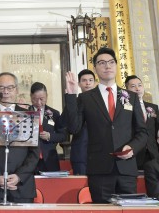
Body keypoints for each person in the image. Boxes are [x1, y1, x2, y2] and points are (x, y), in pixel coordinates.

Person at [62, 47, 148, 203]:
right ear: (95, 68)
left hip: (126, 169)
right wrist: (71, 96)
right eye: (102, 63)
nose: (107, 66)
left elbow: (142, 132)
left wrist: (133, 147)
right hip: (99, 170)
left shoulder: (131, 97)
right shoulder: (86, 98)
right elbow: (74, 128)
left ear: (116, 66)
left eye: (111, 62)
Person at [0, 72, 39, 203]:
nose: (6, 92)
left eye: (10, 88)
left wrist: (19, 176)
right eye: (1, 88)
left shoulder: (29, 116)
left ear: (17, 90)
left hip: (22, 187)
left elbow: (35, 154)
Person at [125, 75, 159, 198]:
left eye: (139, 85)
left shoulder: (153, 107)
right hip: (135, 154)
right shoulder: (124, 109)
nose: (137, 88)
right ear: (127, 90)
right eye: (133, 86)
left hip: (153, 154)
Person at [30, 82, 67, 173]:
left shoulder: (54, 113)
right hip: (29, 160)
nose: (39, 103)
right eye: (35, 99)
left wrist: (50, 136)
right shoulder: (25, 113)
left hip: (49, 160)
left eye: (42, 99)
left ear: (47, 96)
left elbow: (63, 136)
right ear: (31, 96)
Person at [70, 69, 96, 175]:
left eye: (90, 80)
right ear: (79, 84)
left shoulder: (101, 103)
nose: (88, 83)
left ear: (95, 83)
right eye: (84, 80)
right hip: (80, 153)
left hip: (99, 154)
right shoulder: (74, 102)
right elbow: (71, 127)